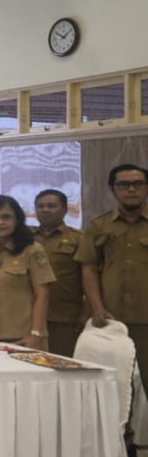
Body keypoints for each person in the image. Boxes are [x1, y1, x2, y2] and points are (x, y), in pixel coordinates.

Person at [77, 164, 148, 387]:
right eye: (124, 184)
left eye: (138, 184)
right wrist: (96, 307)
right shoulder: (98, 225)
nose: (131, 189)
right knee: (114, 381)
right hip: (110, 318)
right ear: (112, 189)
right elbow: (88, 267)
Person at [0, 195, 54, 347]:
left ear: (17, 220)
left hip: (23, 338)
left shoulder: (32, 250)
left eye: (6, 217)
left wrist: (36, 333)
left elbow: (43, 295)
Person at [33, 189, 85, 358]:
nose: (45, 210)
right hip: (27, 315)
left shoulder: (79, 239)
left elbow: (91, 277)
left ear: (64, 210)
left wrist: (88, 313)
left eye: (51, 206)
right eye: (40, 206)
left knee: (59, 363)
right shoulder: (25, 238)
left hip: (64, 316)